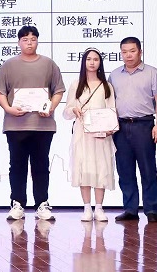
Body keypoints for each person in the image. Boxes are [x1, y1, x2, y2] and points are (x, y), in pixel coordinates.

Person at [0, 26, 65, 221]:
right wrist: (8, 109)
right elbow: (0, 92)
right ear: (19, 42)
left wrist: (50, 107)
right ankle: (17, 203)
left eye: (33, 39)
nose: (29, 43)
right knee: (17, 165)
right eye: (25, 39)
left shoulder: (49, 64)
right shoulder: (8, 65)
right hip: (15, 124)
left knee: (41, 165)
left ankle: (42, 204)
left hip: (42, 125)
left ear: (37, 41)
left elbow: (58, 90)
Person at [108, 37, 157, 223]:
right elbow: (109, 102)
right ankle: (130, 209)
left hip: (144, 125)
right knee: (124, 170)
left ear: (140, 51)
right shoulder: (114, 75)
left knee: (148, 169)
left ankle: (151, 210)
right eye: (124, 52)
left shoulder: (152, 72)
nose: (128, 55)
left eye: (132, 51)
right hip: (120, 127)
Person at [62, 47, 117, 223]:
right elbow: (66, 112)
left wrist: (110, 128)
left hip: (101, 133)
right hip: (82, 133)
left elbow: (112, 110)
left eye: (96, 59)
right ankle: (87, 207)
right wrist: (73, 109)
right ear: (83, 62)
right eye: (89, 59)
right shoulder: (76, 84)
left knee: (101, 167)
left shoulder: (106, 86)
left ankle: (99, 208)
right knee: (83, 168)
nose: (92, 63)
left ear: (100, 62)